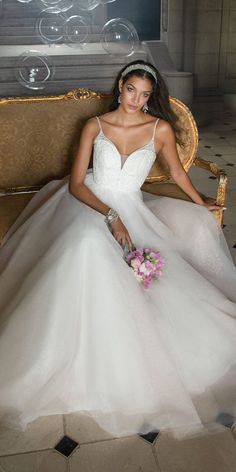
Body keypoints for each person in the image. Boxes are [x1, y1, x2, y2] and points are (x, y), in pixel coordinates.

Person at [0, 60, 236, 440]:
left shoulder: (158, 129)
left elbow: (176, 173)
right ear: (121, 85)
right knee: (86, 244)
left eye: (145, 95)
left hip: (133, 207)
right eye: (131, 91)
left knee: (152, 269)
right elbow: (77, 183)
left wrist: (200, 200)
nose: (136, 100)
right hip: (88, 203)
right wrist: (110, 215)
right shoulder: (94, 126)